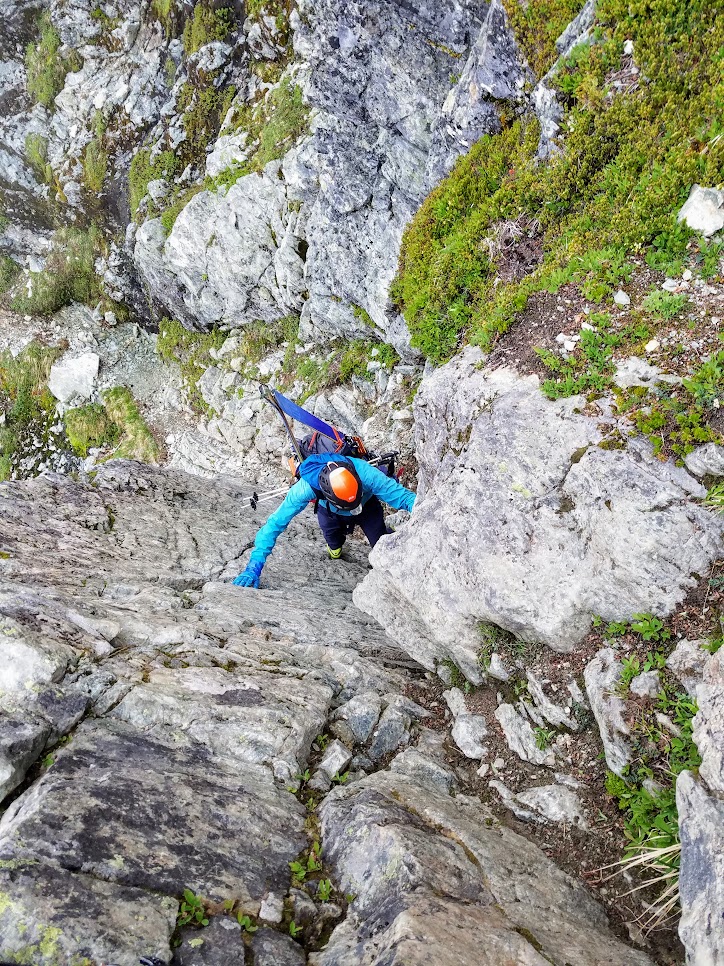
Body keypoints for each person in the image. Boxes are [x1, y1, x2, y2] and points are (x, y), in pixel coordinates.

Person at [232, 454, 416, 588]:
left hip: (367, 508)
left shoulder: (366, 473)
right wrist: (254, 565)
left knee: (381, 547)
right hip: (329, 513)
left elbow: (404, 497)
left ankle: (387, 533)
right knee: (334, 547)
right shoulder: (305, 489)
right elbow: (274, 524)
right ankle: (335, 549)